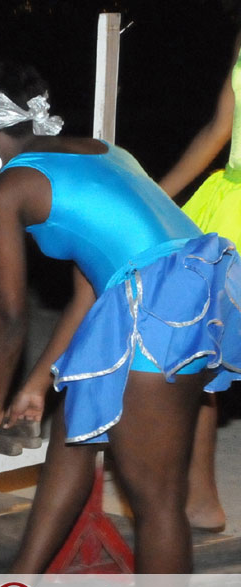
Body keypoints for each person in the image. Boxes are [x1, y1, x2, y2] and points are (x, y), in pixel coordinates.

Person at [0, 61, 241, 587]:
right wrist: (37, 384)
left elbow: (9, 313)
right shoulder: (100, 148)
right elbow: (92, 284)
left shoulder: (10, 190)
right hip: (197, 280)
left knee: (156, 494)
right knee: (72, 427)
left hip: (159, 303)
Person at [155, 31, 241, 533]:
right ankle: (202, 498)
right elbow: (218, 129)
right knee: (195, 348)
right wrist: (155, 197)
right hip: (226, 205)